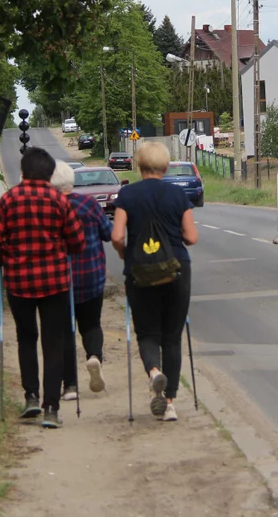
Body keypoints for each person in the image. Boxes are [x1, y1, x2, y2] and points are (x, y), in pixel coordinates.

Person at [0, 147, 85, 429]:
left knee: (26, 338)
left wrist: (3, 257)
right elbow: (77, 241)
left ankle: (31, 396)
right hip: (55, 282)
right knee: (54, 343)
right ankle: (51, 408)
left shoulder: (8, 200)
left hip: (18, 283)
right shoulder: (59, 201)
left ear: (24, 171)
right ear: (49, 173)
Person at [111, 141, 198, 422]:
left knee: (147, 334)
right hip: (176, 272)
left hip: (140, 274)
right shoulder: (177, 196)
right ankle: (170, 403)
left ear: (139, 165)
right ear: (166, 166)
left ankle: (154, 372)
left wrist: (127, 255)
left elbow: (116, 236)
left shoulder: (127, 194)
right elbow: (192, 237)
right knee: (172, 338)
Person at [50, 160, 112, 400]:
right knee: (91, 323)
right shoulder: (89, 204)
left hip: (59, 280)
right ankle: (94, 356)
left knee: (64, 331)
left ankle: (70, 387)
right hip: (91, 277)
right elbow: (107, 232)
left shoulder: (50, 209)